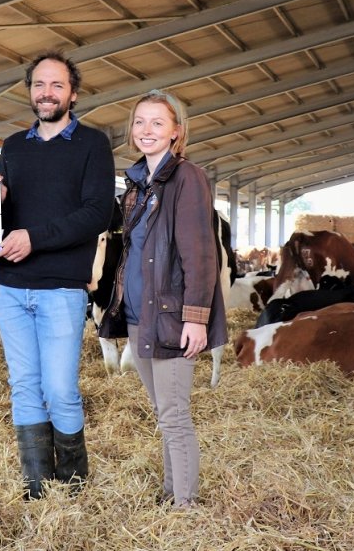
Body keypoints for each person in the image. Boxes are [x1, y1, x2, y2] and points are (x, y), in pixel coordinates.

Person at [0, 50, 116, 499]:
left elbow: (99, 212)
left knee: (60, 389)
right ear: (30, 92)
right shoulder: (12, 146)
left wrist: (35, 239)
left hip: (61, 287)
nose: (46, 93)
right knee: (24, 385)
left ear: (73, 94)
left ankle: (75, 484)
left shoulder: (93, 145)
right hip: (9, 286)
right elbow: (5, 219)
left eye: (57, 85)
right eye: (39, 85)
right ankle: (37, 486)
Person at [99, 89, 227, 510]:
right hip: (139, 315)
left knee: (174, 415)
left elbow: (200, 252)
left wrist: (196, 317)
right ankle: (171, 494)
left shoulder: (187, 177)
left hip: (172, 317)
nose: (147, 130)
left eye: (158, 123)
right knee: (162, 411)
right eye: (139, 122)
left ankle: (184, 506)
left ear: (176, 131)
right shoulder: (138, 182)